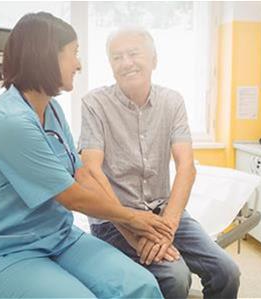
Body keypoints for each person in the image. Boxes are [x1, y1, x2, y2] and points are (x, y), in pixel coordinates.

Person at [0, 14, 172, 299]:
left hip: (59, 238)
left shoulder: (53, 110)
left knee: (141, 286)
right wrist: (133, 218)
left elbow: (81, 173)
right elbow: (71, 196)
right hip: (3, 252)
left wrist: (127, 228)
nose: (79, 64)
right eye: (73, 53)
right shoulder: (11, 121)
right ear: (46, 57)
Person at [78, 27, 241, 299]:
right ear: (110, 66)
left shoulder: (172, 101)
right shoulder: (94, 103)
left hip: (163, 213)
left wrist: (167, 228)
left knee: (226, 271)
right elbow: (91, 172)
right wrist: (132, 232)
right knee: (176, 277)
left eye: (133, 53)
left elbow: (186, 167)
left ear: (154, 60)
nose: (126, 62)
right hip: (114, 217)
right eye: (117, 57)